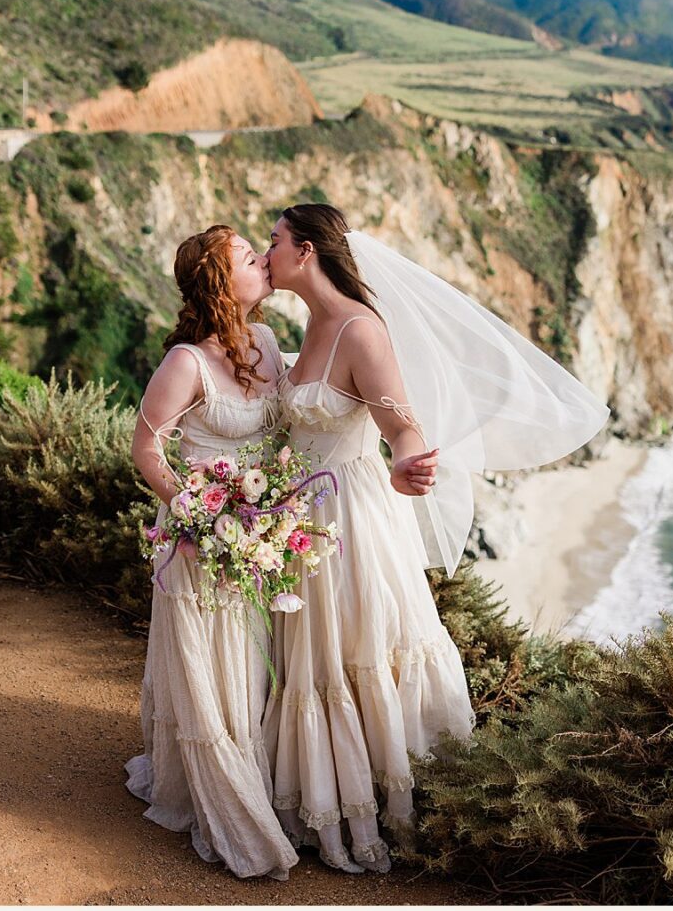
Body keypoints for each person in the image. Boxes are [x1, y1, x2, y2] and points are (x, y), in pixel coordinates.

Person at [261, 204, 610, 874]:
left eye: (273, 240)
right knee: (315, 655)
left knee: (360, 649)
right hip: (301, 518)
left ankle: (395, 807)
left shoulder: (362, 330)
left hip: (350, 520)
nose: (264, 249)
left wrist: (407, 461)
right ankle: (319, 798)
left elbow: (406, 427)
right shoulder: (311, 325)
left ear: (305, 251)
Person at [123, 225, 299, 881]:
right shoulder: (185, 364)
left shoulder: (271, 345)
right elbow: (147, 449)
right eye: (250, 258)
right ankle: (227, 800)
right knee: (211, 671)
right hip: (197, 543)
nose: (264, 261)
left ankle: (259, 774)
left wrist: (278, 507)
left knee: (252, 666)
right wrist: (194, 511)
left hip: (255, 536)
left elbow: (287, 432)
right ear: (225, 284)